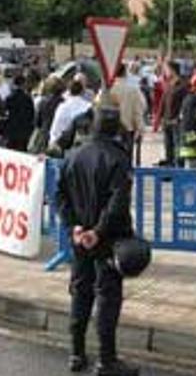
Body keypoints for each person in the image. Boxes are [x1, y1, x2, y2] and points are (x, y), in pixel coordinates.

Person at [56, 106, 139, 376]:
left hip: (82, 238)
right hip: (108, 239)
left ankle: (76, 353)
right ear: (116, 130)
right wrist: (98, 231)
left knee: (81, 292)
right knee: (107, 296)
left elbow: (59, 197)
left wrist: (75, 228)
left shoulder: (73, 156)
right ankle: (106, 360)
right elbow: (117, 203)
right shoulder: (119, 158)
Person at [111, 64, 147, 164]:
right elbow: (138, 110)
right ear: (125, 73)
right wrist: (140, 129)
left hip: (108, 131)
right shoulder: (133, 90)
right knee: (125, 161)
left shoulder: (106, 90)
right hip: (126, 130)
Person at [50, 79, 93, 147]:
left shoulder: (62, 107)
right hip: (78, 145)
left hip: (60, 143)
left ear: (69, 91)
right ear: (82, 92)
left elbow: (55, 128)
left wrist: (53, 142)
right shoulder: (88, 107)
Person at [29, 76, 65, 154]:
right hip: (58, 138)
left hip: (44, 134)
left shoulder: (43, 102)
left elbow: (37, 122)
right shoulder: (64, 103)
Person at [2, 74, 35, 152]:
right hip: (23, 130)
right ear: (23, 84)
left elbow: (5, 112)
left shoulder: (9, 97)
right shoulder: (27, 98)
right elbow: (31, 115)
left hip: (11, 129)